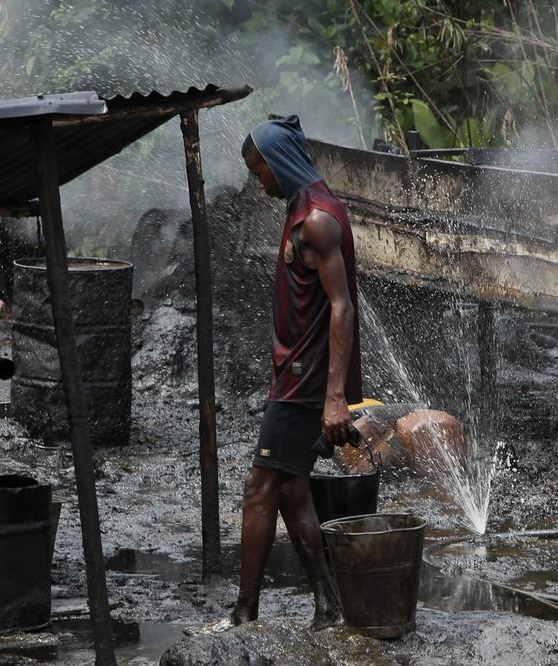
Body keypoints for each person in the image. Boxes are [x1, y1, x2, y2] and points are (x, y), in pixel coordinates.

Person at [230, 115, 363, 630]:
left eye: (258, 170)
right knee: (291, 490)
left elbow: (342, 307)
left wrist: (334, 397)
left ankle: (244, 614)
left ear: (276, 162)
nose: (256, 180)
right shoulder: (303, 210)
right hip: (295, 371)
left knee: (259, 490)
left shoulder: (317, 220)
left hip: (305, 381)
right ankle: (328, 606)